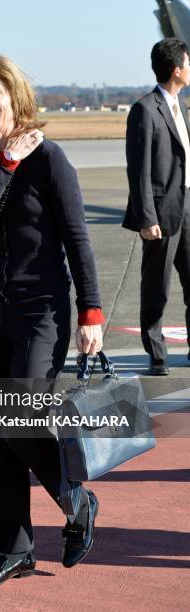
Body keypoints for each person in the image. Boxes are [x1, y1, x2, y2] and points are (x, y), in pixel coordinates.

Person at [0, 55, 105, 587]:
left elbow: (77, 238)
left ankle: (75, 498)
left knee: (20, 415)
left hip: (42, 309)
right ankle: (14, 549)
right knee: (1, 430)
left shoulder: (51, 158)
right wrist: (5, 163)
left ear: (14, 96)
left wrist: (91, 310)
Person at [123, 37, 190, 375]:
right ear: (176, 69)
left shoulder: (182, 108)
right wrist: (146, 218)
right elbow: (138, 171)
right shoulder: (145, 110)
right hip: (161, 213)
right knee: (157, 287)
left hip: (188, 206)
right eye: (189, 63)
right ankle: (158, 354)